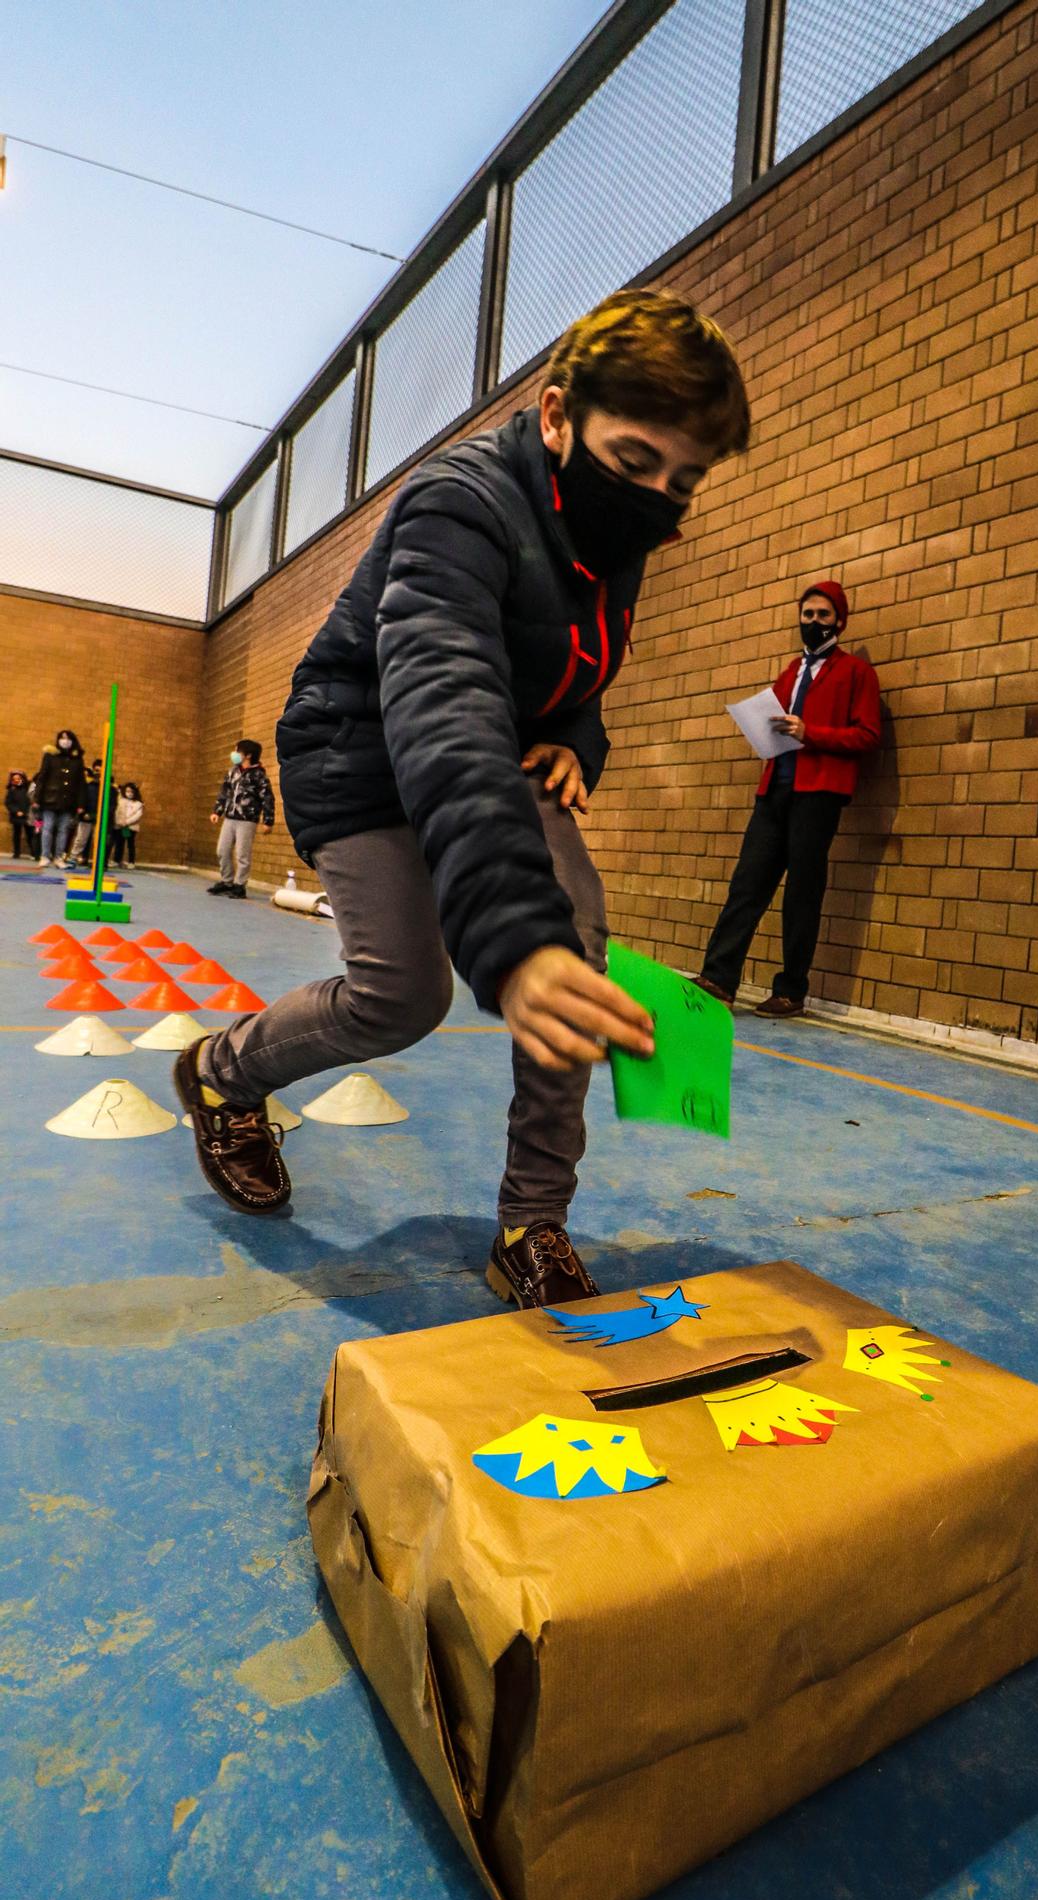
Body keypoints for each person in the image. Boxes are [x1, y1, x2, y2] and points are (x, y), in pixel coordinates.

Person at [174, 289, 750, 1312]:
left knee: (574, 941)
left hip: (488, 753)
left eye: (684, 478)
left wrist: (575, 735)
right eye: (632, 462)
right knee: (404, 996)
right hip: (360, 748)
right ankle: (223, 1072)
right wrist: (504, 935)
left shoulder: (615, 534)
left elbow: (569, 667)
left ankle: (534, 1222)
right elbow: (441, 697)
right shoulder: (460, 501)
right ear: (558, 412)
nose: (657, 497)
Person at [695, 580, 881, 1019]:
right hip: (775, 790)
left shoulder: (856, 673)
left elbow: (868, 735)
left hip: (818, 795)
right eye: (808, 614)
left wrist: (810, 733)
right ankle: (719, 979)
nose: (813, 622)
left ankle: (791, 991)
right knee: (747, 885)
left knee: (801, 893)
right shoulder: (790, 671)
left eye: (823, 615)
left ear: (840, 621)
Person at [208, 741, 275, 898]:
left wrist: (268, 820)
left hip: (247, 820)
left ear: (248, 755)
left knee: (242, 854)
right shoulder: (233, 772)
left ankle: (239, 885)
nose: (234, 753)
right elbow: (224, 792)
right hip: (230, 818)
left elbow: (267, 798)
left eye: (237, 751)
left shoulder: (259, 775)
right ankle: (227, 881)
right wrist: (217, 811)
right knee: (222, 850)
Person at [32, 730, 85, 868]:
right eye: (62, 738)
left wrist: (80, 803)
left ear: (73, 741)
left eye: (68, 738)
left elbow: (80, 783)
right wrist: (37, 798)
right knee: (48, 828)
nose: (65, 741)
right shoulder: (50, 756)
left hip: (68, 801)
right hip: (49, 799)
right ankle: (44, 856)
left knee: (63, 830)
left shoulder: (77, 759)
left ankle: (58, 857)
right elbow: (42, 777)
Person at [5, 771, 37, 860]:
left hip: (27, 815)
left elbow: (30, 800)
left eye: (18, 779)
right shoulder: (11, 790)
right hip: (16, 816)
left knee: (30, 834)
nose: (16, 780)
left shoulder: (27, 788)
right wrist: (16, 811)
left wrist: (27, 811)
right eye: (14, 779)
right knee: (16, 835)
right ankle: (16, 853)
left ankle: (34, 853)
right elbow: (8, 803)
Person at [113, 783, 144, 866]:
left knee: (130, 844)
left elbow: (138, 815)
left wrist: (127, 822)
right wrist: (119, 822)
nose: (129, 793)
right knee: (119, 843)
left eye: (131, 792)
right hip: (120, 825)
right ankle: (117, 860)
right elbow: (117, 813)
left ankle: (131, 861)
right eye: (127, 791)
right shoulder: (121, 801)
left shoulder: (138, 804)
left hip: (131, 827)